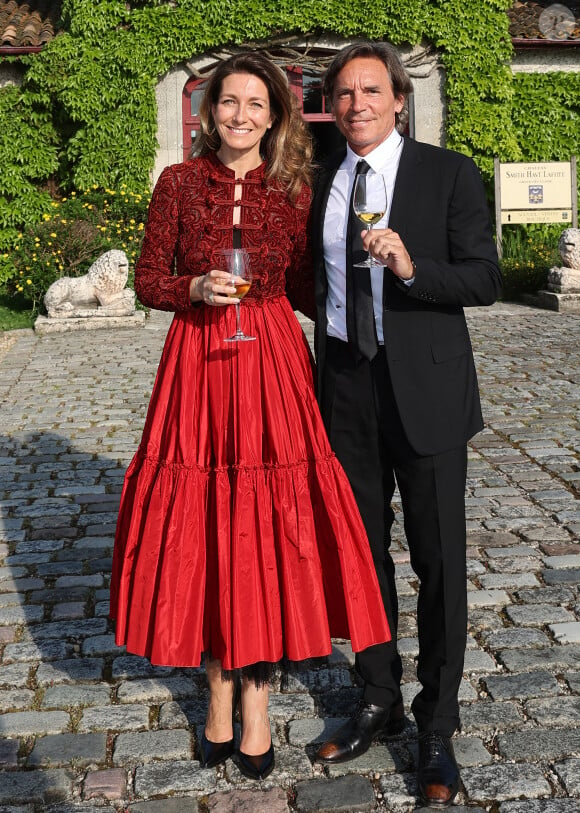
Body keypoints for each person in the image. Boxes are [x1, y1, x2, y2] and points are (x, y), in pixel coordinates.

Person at [109, 51, 391, 782]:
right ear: (211, 112)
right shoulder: (176, 183)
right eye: (229, 102)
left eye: (256, 105)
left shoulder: (297, 189)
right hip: (197, 362)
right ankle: (217, 691)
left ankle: (258, 699)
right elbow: (147, 280)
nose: (241, 115)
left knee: (266, 522)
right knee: (203, 519)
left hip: (269, 360)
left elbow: (307, 284)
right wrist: (192, 285)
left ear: (277, 115)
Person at [310, 42, 502, 808]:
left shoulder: (447, 173)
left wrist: (413, 267)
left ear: (398, 99)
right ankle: (376, 693)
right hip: (346, 387)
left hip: (424, 386)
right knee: (360, 553)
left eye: (370, 90)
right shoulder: (323, 178)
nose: (355, 104)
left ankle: (437, 723)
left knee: (439, 559)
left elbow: (484, 277)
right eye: (343, 93)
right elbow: (307, 278)